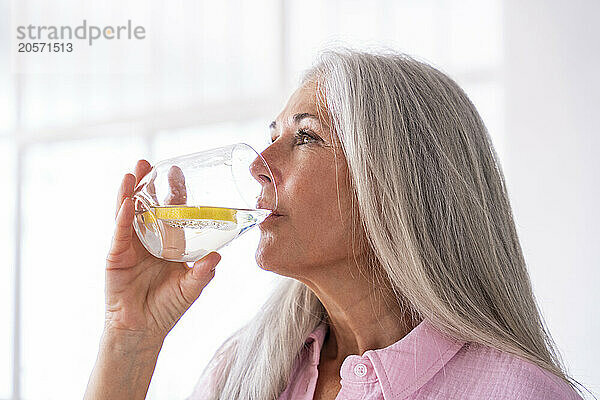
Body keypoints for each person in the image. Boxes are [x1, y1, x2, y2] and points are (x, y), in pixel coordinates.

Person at [84, 49, 586, 400]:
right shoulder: (243, 372)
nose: (259, 162)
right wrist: (130, 336)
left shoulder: (516, 393)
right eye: (272, 133)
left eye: (306, 137)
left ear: (393, 183)